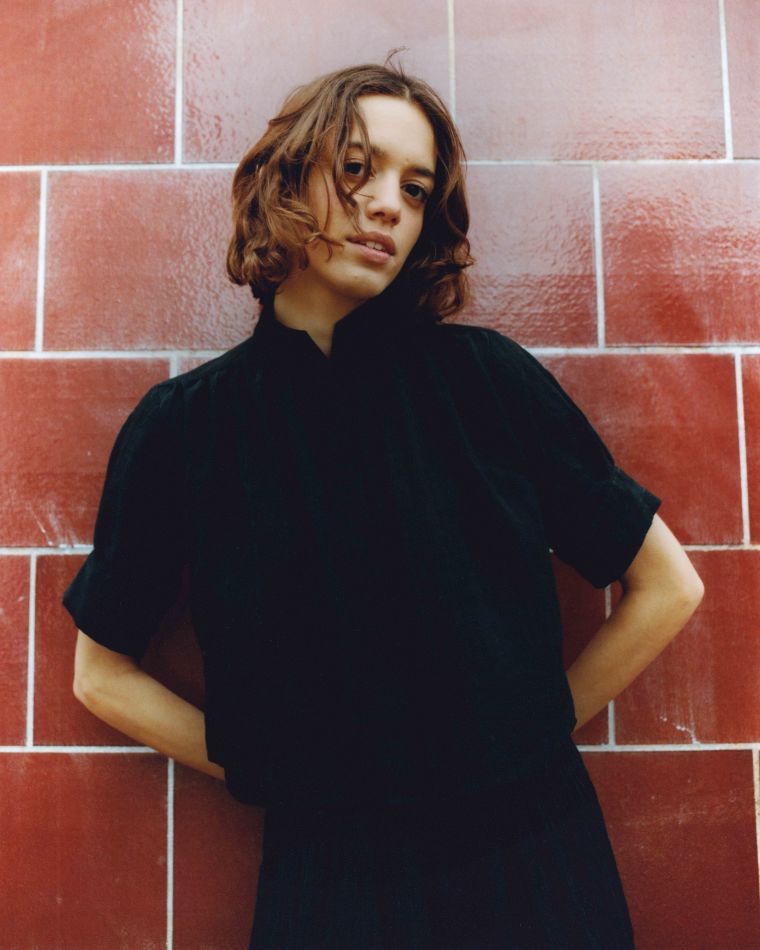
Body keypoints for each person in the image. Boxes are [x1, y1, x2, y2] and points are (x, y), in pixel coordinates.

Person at [64, 52, 704, 949]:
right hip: (327, 879)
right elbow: (99, 674)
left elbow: (670, 586)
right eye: (357, 168)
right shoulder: (186, 428)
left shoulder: (489, 383)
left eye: (415, 188)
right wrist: (263, 767)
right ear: (289, 181)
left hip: (532, 856)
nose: (387, 206)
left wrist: (529, 730)